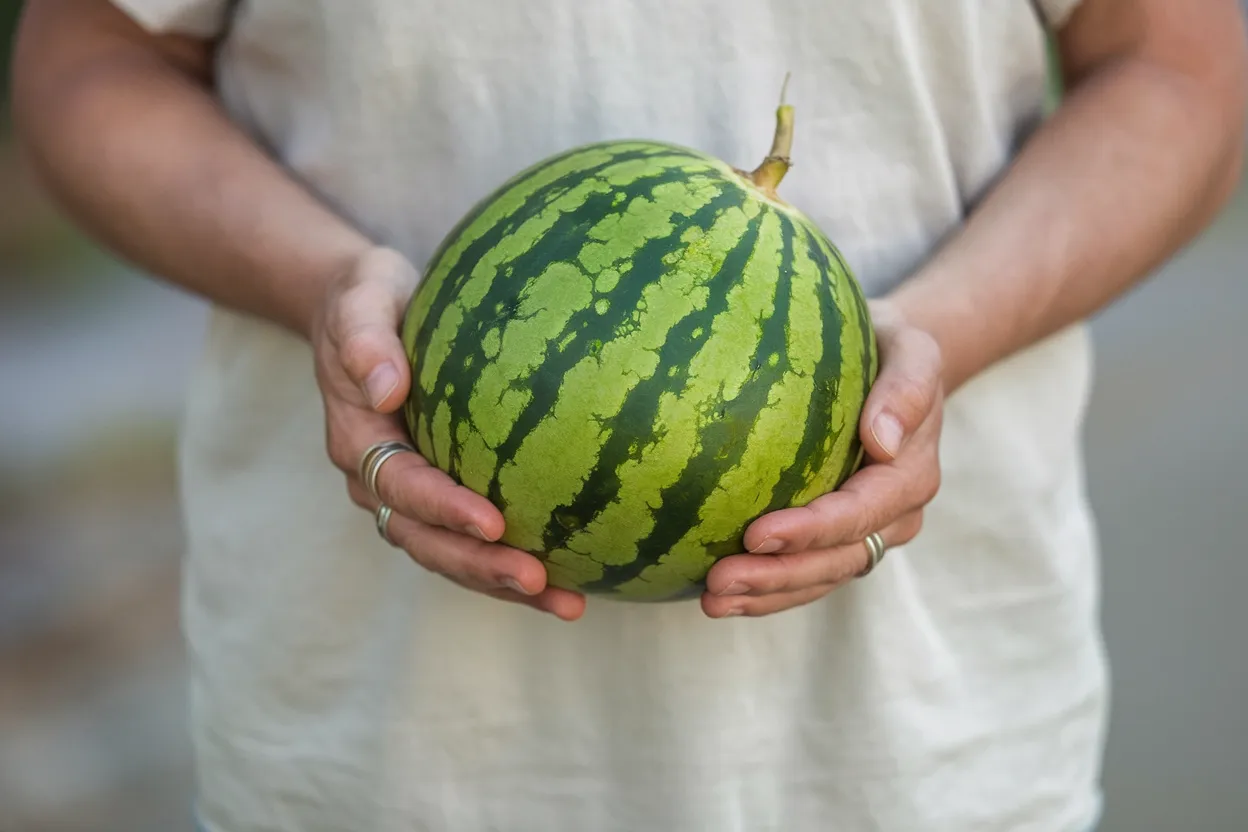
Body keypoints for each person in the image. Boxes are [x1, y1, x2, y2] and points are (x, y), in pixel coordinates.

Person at [11, 0, 1246, 829]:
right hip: (369, 745)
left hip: (925, 744)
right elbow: (89, 54)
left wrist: (943, 334)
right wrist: (320, 282)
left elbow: (1180, 60)